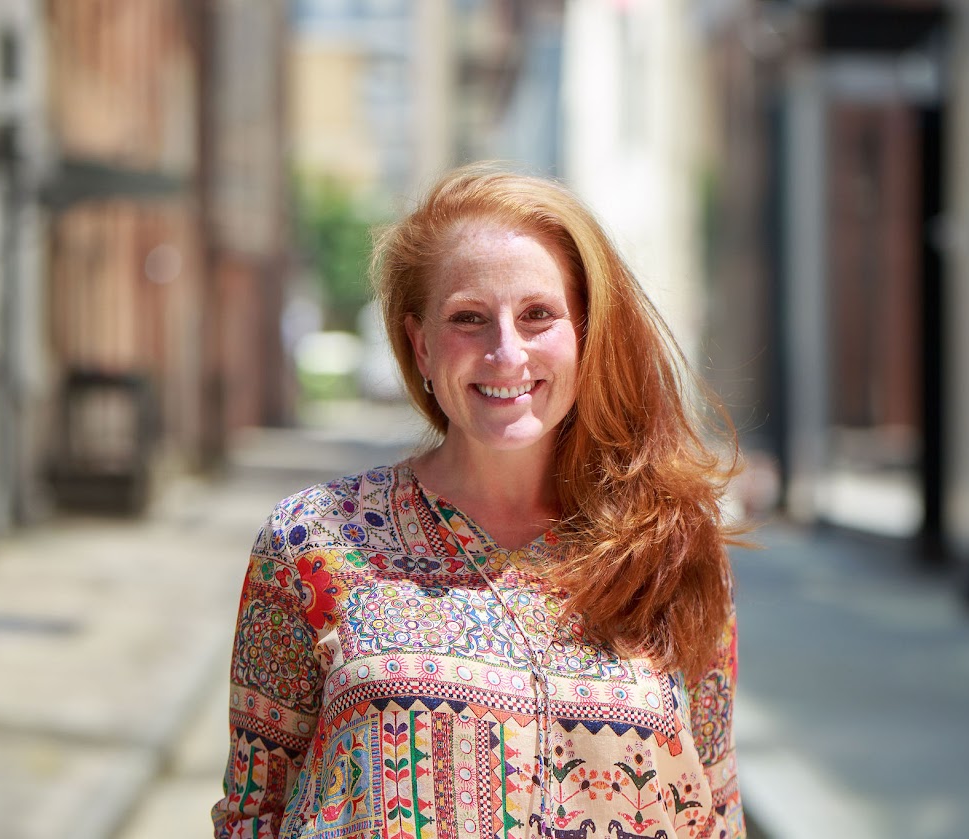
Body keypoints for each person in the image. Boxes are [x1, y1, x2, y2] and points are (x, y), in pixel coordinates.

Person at [212, 165, 747, 839]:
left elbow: (716, 810)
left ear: (586, 331)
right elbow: (251, 815)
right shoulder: (309, 541)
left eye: (538, 315)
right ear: (421, 345)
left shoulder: (672, 551)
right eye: (469, 318)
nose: (505, 351)